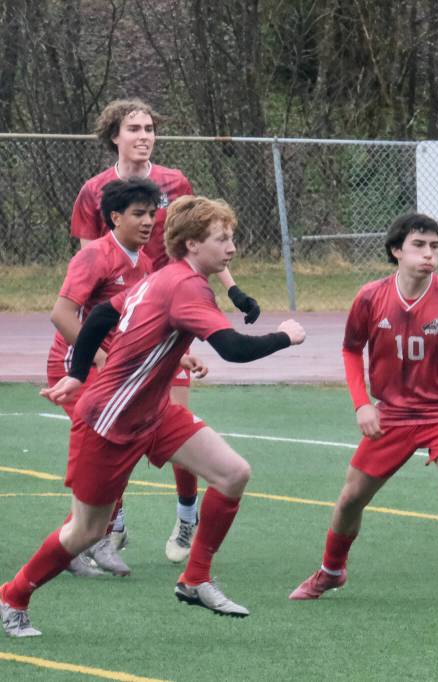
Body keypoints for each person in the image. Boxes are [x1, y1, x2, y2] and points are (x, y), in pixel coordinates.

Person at [1, 196, 305, 637]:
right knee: (86, 531)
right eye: (222, 239)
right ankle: (13, 596)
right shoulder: (185, 286)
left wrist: (78, 371)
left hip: (153, 413)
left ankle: (195, 578)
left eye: (231, 237)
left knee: (233, 473)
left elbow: (105, 313)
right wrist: (284, 336)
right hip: (110, 421)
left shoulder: (164, 276)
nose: (232, 248)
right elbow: (233, 349)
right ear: (191, 244)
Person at [70, 98, 261, 565]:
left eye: (150, 127)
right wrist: (95, 345)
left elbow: (199, 240)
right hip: (122, 320)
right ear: (113, 135)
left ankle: (186, 513)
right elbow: (88, 262)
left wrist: (233, 291)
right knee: (114, 424)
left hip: (170, 314)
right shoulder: (94, 190)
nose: (144, 135)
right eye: (133, 127)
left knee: (173, 418)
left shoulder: (175, 182)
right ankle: (108, 526)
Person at [289, 213, 438, 609]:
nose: (429, 254)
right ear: (396, 251)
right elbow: (351, 350)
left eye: (435, 246)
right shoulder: (370, 297)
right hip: (393, 414)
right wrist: (362, 404)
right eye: (419, 245)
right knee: (351, 497)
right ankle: (332, 571)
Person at [49, 178, 208, 578]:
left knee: (116, 449)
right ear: (114, 217)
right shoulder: (94, 258)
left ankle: (89, 537)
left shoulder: (145, 262)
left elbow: (143, 319)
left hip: (113, 372)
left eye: (152, 214)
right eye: (138, 214)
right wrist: (100, 360)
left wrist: (181, 356)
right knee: (102, 450)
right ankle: (86, 540)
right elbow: (62, 315)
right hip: (78, 368)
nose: (148, 221)